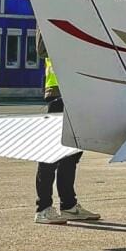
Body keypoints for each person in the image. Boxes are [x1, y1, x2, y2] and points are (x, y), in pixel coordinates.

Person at [35, 42, 100, 225]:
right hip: (59, 92)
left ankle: (69, 205)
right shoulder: (48, 14)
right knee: (50, 154)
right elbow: (42, 49)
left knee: (71, 153)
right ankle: (43, 208)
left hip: (79, 91)